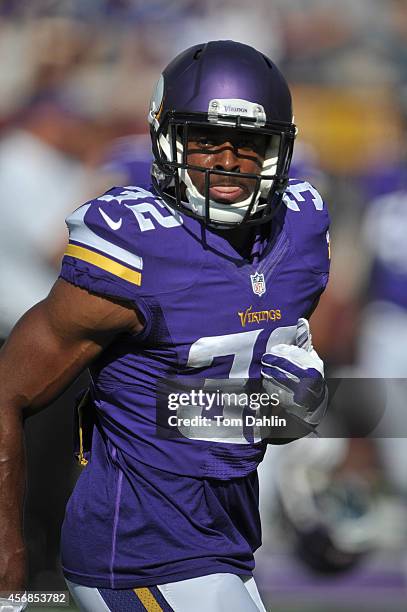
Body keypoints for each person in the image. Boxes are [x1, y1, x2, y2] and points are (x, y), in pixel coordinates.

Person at [0, 40, 330, 612]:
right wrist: (7, 554)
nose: (227, 162)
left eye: (249, 144)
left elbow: (183, 394)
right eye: (205, 140)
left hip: (227, 535)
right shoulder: (135, 245)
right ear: (166, 137)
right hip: (136, 546)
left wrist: (286, 405)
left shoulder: (299, 232)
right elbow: (8, 391)